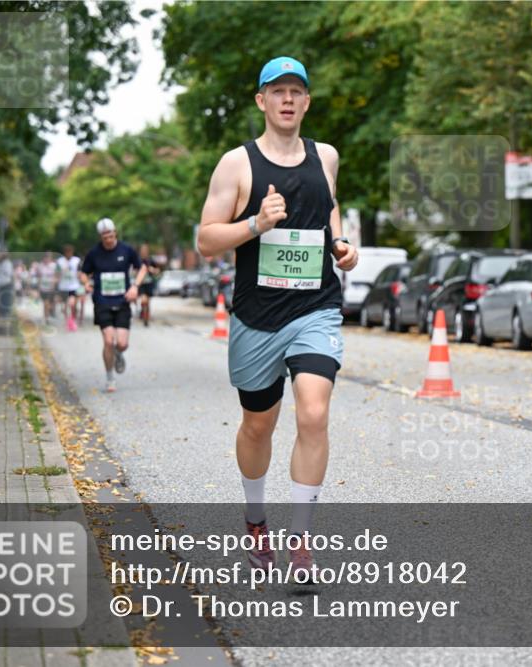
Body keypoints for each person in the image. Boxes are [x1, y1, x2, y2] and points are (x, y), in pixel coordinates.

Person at [197, 56, 358, 579]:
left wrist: (338, 243)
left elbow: (328, 204)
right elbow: (205, 241)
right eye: (277, 91)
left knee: (313, 413)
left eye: (297, 91)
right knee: (258, 425)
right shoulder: (236, 164)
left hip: (315, 308)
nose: (288, 99)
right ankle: (255, 520)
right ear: (261, 101)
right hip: (256, 318)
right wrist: (256, 224)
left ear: (307, 101)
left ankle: (301, 541)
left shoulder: (326, 156)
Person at [78, 218, 147, 393]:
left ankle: (118, 353)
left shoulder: (126, 250)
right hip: (102, 301)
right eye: (104, 236)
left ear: (115, 232)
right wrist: (86, 283)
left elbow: (142, 268)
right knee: (108, 341)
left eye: (110, 235)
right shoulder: (94, 253)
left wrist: (135, 287)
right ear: (100, 237)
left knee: (122, 343)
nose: (108, 239)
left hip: (123, 301)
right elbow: (83, 273)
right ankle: (110, 378)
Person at [56, 245, 82, 331]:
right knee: (65, 307)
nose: (68, 253)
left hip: (74, 286)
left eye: (70, 251)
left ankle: (73, 320)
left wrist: (80, 278)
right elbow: (57, 273)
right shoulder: (60, 261)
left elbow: (80, 272)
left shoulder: (76, 261)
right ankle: (68, 321)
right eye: (67, 252)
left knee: (72, 304)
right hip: (63, 287)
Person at [137, 243, 160, 326]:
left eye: (145, 250)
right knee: (143, 299)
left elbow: (158, 271)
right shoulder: (138, 260)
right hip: (141, 283)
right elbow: (133, 271)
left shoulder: (151, 260)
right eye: (142, 250)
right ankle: (143, 312)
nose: (144, 251)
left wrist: (152, 270)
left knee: (148, 301)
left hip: (149, 283)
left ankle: (146, 314)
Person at [34, 251, 59, 325]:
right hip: (43, 288)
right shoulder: (40, 266)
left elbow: (57, 276)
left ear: (51, 258)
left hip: (51, 288)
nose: (47, 259)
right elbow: (39, 277)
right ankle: (46, 318)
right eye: (46, 257)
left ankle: (48, 315)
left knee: (48, 304)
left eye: (48, 257)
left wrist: (55, 282)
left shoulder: (54, 266)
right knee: (45, 303)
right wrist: (38, 289)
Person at [0, 251, 14, 318]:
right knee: (1, 300)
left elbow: (9, 274)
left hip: (6, 284)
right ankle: (2, 314)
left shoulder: (7, 263)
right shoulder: (0, 263)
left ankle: (5, 315)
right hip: (1, 285)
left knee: (6, 300)